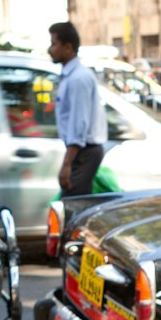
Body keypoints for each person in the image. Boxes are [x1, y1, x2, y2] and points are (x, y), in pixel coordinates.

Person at [48, 21, 107, 197]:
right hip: (79, 152)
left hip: (83, 152)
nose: (50, 49)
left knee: (72, 207)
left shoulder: (78, 78)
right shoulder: (71, 76)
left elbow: (78, 124)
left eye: (54, 44)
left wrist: (67, 164)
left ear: (68, 47)